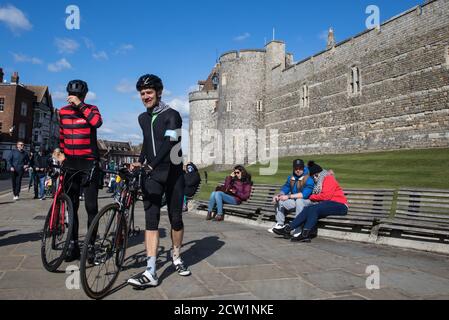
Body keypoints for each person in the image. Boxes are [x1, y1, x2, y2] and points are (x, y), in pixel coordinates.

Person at [127, 74, 190, 289]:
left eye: (149, 92)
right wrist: (141, 161)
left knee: (176, 219)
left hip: (173, 174)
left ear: (159, 92)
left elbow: (171, 141)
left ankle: (176, 255)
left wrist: (152, 163)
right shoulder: (143, 118)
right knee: (151, 219)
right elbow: (147, 141)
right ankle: (151, 270)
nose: (145, 96)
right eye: (142, 93)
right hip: (153, 175)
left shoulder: (172, 115)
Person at [58, 79, 103, 262]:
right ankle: (73, 244)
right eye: (72, 95)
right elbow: (62, 134)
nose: (74, 98)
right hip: (70, 163)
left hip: (89, 163)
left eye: (78, 95)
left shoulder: (92, 109)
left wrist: (81, 105)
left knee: (91, 206)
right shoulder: (62, 112)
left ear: (84, 96)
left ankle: (91, 245)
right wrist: (60, 153)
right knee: (71, 206)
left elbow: (97, 123)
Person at [273, 161, 348, 242]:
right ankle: (288, 229)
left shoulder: (329, 178)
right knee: (307, 209)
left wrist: (311, 196)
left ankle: (304, 234)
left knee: (313, 209)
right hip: (328, 204)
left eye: (314, 176)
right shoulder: (320, 180)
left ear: (317, 174)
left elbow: (326, 196)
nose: (313, 178)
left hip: (340, 205)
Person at [269, 159, 314, 234]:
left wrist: (288, 196)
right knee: (279, 200)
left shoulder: (308, 179)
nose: (298, 170)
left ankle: (298, 227)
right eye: (296, 168)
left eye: (300, 168)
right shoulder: (291, 178)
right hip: (295, 201)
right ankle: (280, 224)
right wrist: (279, 195)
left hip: (307, 202)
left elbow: (304, 195)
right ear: (293, 168)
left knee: (299, 201)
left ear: (303, 168)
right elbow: (285, 188)